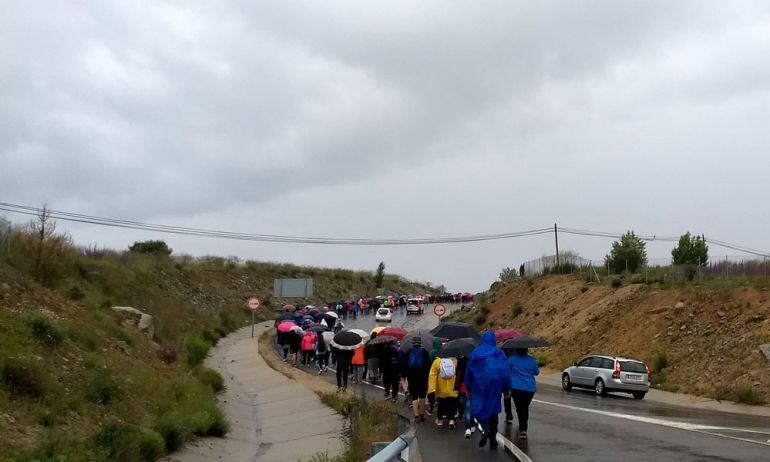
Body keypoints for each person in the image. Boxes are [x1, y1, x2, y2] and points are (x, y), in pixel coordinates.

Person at [466, 331, 512, 450]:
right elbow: (505, 371)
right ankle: (493, 440)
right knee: (493, 410)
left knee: (478, 408)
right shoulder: (499, 353)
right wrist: (506, 388)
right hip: (495, 386)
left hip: (479, 385)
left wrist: (468, 387)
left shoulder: (475, 352)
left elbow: (469, 371)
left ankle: (484, 428)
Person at [507, 348, 540, 439]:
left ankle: (522, 427)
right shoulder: (531, 359)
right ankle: (523, 429)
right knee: (525, 407)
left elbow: (506, 370)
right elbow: (536, 372)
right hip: (529, 388)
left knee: (519, 407)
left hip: (516, 386)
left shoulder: (511, 359)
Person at [404, 338, 431, 423]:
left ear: (412, 343)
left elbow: (404, 365)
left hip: (411, 377)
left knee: (414, 396)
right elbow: (428, 366)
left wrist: (406, 375)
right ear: (420, 343)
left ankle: (416, 416)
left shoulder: (408, 352)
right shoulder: (424, 352)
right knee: (422, 396)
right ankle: (422, 415)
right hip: (422, 377)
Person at [428, 354, 458, 429]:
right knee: (451, 404)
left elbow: (432, 376)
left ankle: (440, 420)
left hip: (441, 388)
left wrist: (432, 389)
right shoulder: (455, 360)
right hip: (452, 388)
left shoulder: (437, 361)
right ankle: (451, 420)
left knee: (440, 404)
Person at [454, 356, 475, 438]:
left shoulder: (460, 361)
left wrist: (456, 387)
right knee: (471, 406)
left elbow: (458, 375)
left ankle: (468, 428)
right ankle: (472, 424)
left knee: (467, 407)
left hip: (464, 386)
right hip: (474, 386)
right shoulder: (474, 359)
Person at [427, 337, 443, 415]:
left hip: (433, 373)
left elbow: (429, 362)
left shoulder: (432, 352)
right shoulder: (443, 351)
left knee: (431, 390)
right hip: (441, 374)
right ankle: (439, 405)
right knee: (440, 390)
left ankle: (431, 407)